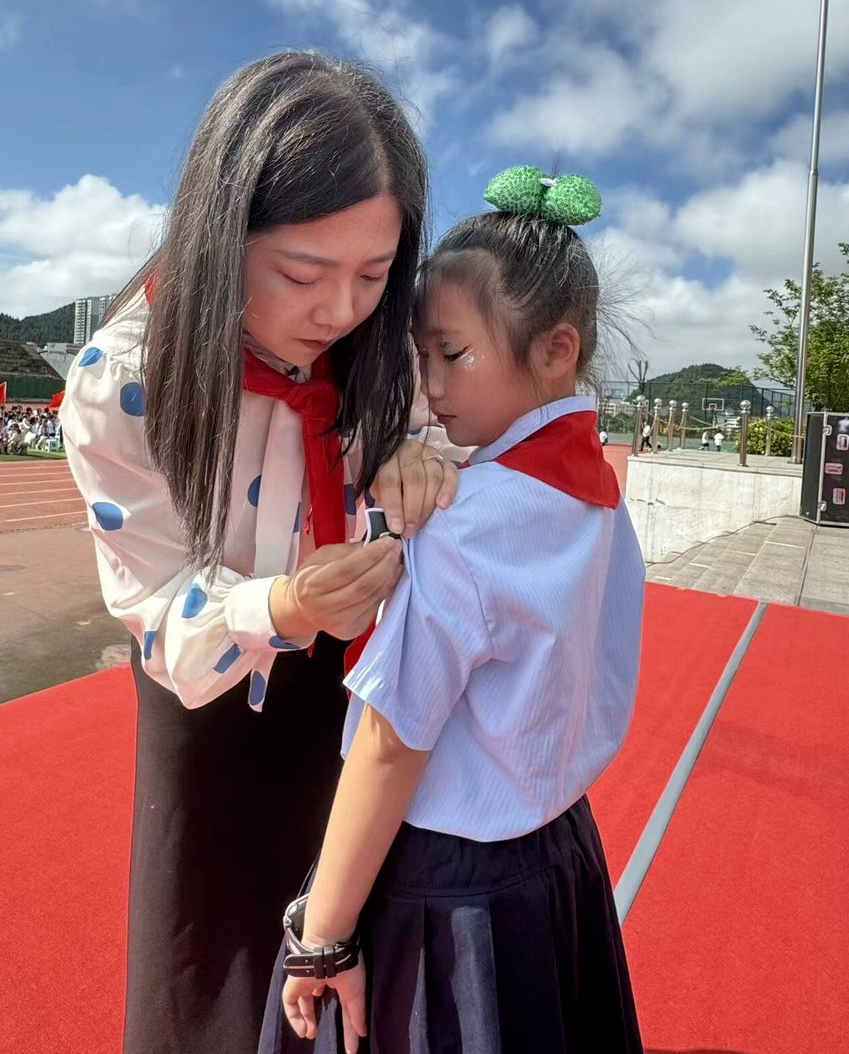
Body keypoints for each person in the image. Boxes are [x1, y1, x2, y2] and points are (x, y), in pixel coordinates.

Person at [61, 52, 459, 1054]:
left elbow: (443, 429)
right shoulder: (125, 380)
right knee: (210, 984)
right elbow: (155, 606)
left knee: (360, 968)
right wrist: (276, 607)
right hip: (212, 714)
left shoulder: (381, 346)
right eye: (302, 273)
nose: (340, 310)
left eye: (375, 273)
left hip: (359, 696)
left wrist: (422, 455)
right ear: (218, 233)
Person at [263, 166, 646, 1054]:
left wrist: (321, 936)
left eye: (453, 354)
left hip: (447, 879)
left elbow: (393, 743)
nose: (429, 386)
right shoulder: (595, 496)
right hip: (558, 854)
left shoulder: (464, 525)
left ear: (554, 350)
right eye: (421, 354)